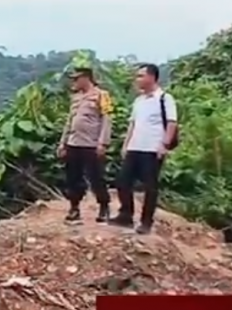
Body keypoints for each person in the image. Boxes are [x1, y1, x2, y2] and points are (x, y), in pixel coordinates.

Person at [109, 63, 178, 234]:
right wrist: (126, 144)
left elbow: (172, 123)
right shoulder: (138, 101)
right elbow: (133, 124)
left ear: (152, 77)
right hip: (135, 147)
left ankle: (146, 222)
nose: (137, 79)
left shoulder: (164, 98)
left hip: (152, 149)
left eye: (141, 76)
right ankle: (125, 215)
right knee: (122, 181)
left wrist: (165, 144)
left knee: (150, 187)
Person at [57, 67, 113, 223]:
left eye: (76, 79)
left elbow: (107, 119)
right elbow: (69, 122)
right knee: (73, 177)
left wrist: (103, 142)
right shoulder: (75, 98)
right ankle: (74, 208)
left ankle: (104, 206)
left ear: (86, 78)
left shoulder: (102, 95)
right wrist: (63, 143)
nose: (73, 82)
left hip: (91, 144)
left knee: (96, 177)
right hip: (74, 143)